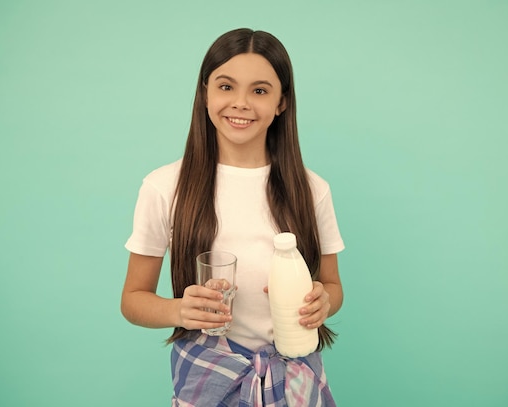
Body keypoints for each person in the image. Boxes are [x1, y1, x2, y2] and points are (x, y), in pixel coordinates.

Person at [121, 28, 345, 406]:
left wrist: (323, 301)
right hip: (208, 376)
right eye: (226, 87)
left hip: (294, 375)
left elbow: (333, 287)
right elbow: (132, 299)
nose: (240, 103)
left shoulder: (311, 189)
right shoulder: (165, 187)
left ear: (281, 103)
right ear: (205, 92)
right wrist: (180, 309)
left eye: (259, 91)